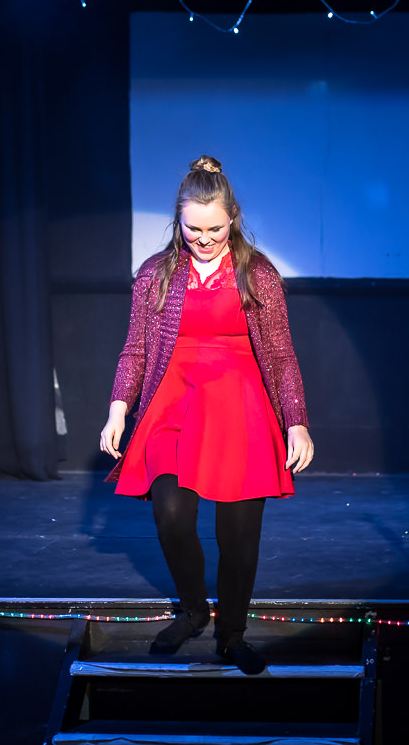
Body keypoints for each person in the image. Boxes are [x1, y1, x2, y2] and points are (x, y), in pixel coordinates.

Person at [99, 155, 314, 675]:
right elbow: (135, 349)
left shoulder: (257, 274)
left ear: (233, 218)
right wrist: (118, 410)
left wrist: (297, 421)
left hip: (240, 407)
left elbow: (281, 355)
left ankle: (232, 633)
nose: (204, 238)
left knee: (237, 536)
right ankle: (194, 609)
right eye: (193, 228)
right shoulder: (156, 274)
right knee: (172, 517)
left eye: (215, 228)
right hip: (172, 403)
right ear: (179, 220)